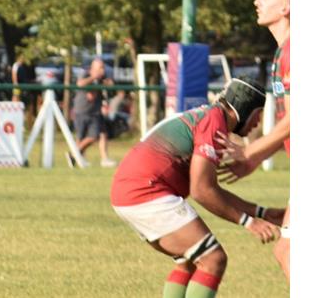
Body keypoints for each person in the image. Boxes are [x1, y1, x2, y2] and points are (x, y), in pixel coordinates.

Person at [110, 78, 284, 298]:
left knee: (188, 262)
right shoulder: (214, 122)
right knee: (213, 259)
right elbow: (201, 191)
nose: (257, 122)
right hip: (146, 192)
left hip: (129, 192)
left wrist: (261, 213)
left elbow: (211, 189)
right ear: (243, 108)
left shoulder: (210, 117)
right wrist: (248, 222)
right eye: (257, 114)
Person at [218, 0, 290, 280]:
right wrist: (255, 159)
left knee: (289, 252)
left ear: (286, 6)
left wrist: (251, 150)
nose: (256, 1)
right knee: (287, 252)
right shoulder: (282, 52)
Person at [70, 58, 116, 168]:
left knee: (99, 134)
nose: (102, 70)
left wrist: (107, 81)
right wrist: (94, 77)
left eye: (103, 67)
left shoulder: (101, 78)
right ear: (93, 68)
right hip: (82, 110)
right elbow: (80, 84)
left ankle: (103, 158)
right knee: (81, 136)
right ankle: (76, 156)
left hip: (95, 111)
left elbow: (111, 85)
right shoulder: (85, 74)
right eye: (100, 67)